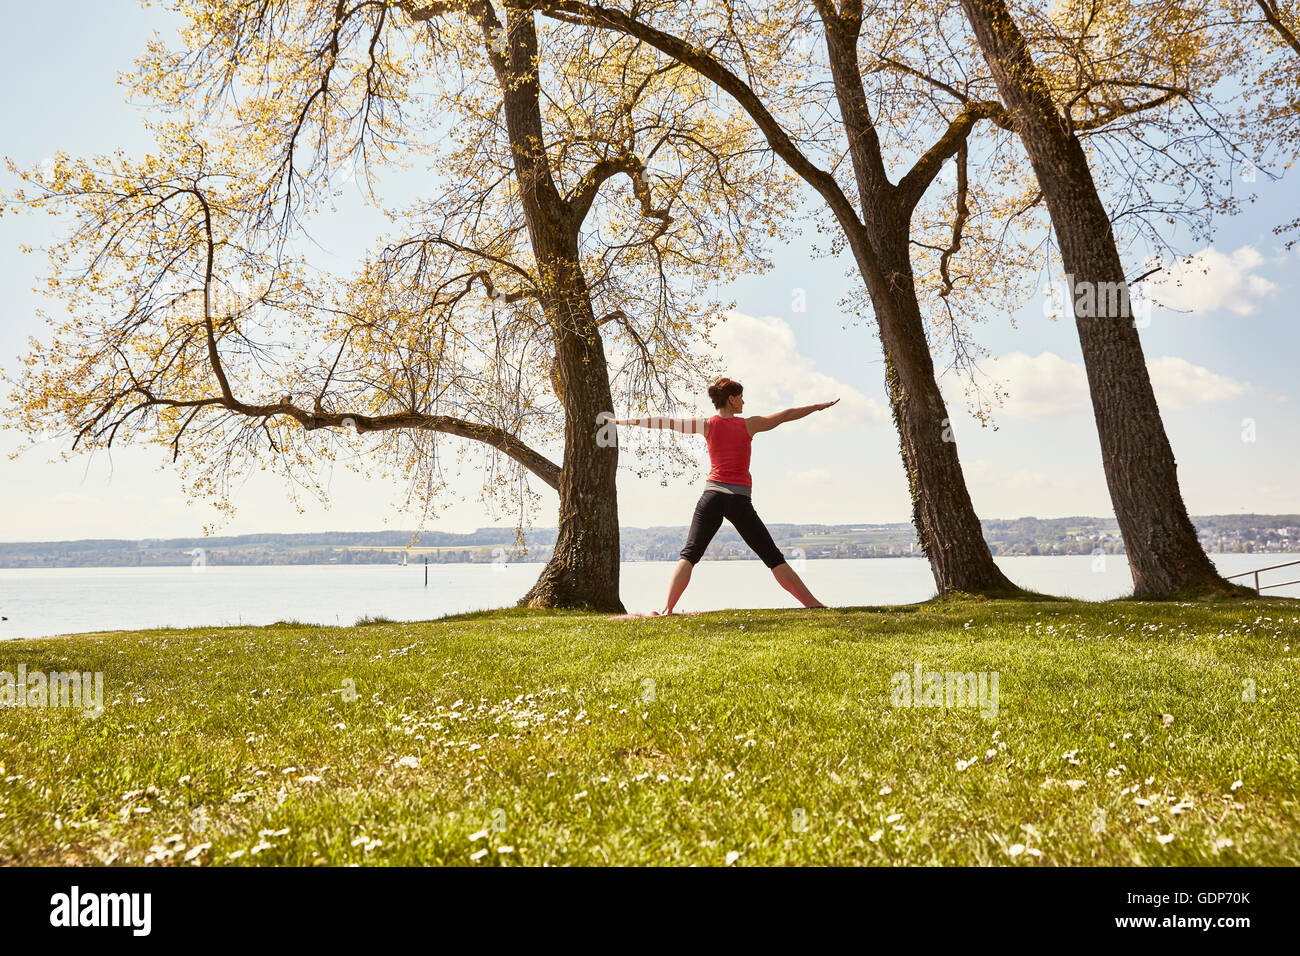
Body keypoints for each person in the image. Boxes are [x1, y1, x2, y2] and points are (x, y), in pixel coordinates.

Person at [611, 377, 838, 614]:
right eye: (740, 396)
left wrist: (624, 422)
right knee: (772, 556)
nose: (743, 401)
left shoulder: (706, 425)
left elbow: (666, 423)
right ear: (731, 399)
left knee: (689, 554)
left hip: (711, 496)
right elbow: (785, 415)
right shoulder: (749, 425)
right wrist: (816, 407)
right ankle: (812, 603)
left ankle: (667, 609)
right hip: (737, 500)